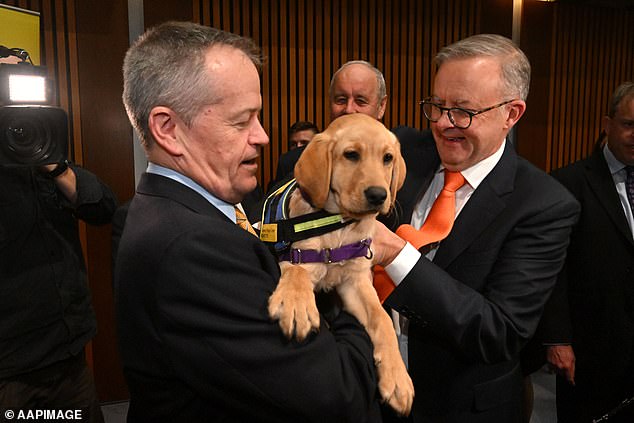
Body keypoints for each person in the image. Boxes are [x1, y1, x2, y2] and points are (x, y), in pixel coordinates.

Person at [115, 21, 385, 422]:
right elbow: (338, 393)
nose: (261, 136)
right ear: (168, 129)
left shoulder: (170, 210)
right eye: (241, 122)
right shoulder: (195, 247)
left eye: (258, 118)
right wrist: (350, 274)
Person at [370, 34, 580, 422]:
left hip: (459, 407)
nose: (444, 124)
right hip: (368, 391)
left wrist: (397, 256)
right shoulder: (402, 152)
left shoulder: (544, 203)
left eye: (464, 112)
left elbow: (498, 331)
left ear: (512, 114)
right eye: (437, 106)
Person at [532, 81, 634, 423]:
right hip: (590, 350)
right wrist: (557, 339)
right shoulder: (567, 183)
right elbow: (552, 269)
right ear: (607, 125)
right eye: (629, 124)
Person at [0, 152, 116, 418]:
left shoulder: (44, 160)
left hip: (68, 357)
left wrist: (55, 168)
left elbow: (104, 206)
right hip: (10, 371)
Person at [267, 60, 387, 192]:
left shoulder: (397, 161)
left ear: (381, 106)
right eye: (341, 100)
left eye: (360, 101)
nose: (349, 109)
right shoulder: (292, 162)